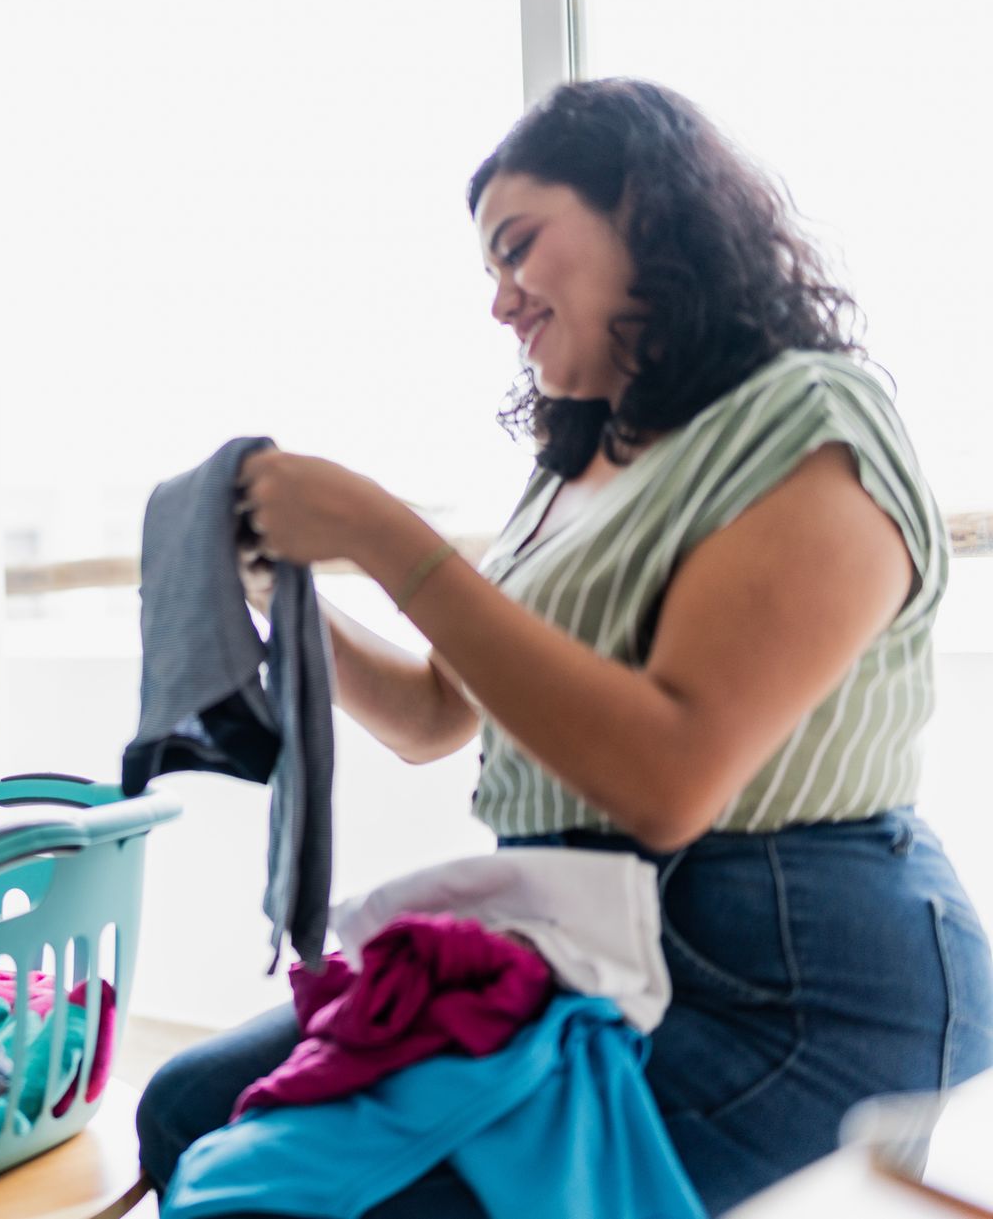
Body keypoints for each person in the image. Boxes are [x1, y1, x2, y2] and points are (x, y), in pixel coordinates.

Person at [137, 79, 993, 1216]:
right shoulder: (571, 471)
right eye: (486, 272)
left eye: (518, 247)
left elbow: (669, 779)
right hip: (574, 947)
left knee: (350, 1200)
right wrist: (278, 599)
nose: (498, 302)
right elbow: (437, 714)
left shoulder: (812, 423)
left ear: (647, 207)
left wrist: (378, 534)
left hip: (790, 981)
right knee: (186, 1105)